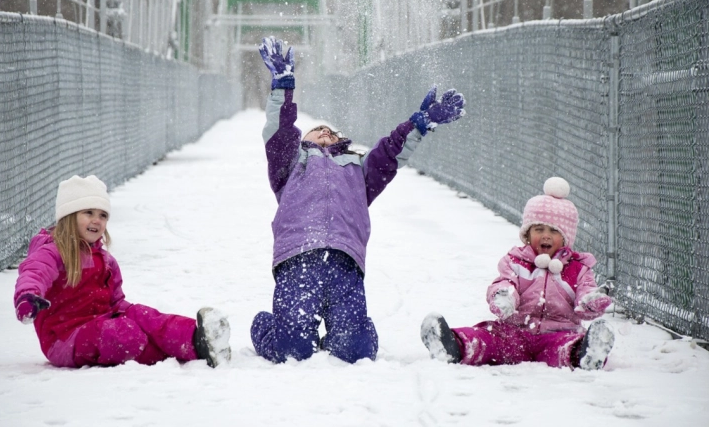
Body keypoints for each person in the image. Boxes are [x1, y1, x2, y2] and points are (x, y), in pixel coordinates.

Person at [250, 36, 466, 364]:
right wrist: (283, 84)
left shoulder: (358, 171)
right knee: (291, 349)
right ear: (302, 141)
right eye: (318, 131)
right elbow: (280, 130)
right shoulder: (289, 166)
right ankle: (267, 326)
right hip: (298, 260)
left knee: (356, 351)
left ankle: (349, 333)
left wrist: (419, 125)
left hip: (345, 262)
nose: (326, 134)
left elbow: (391, 153)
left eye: (333, 133)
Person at [13, 174, 231, 368]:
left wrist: (138, 316)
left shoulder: (106, 260)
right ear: (69, 216)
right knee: (123, 333)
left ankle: (197, 339)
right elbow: (34, 272)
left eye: (103, 215)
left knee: (145, 317)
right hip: (65, 338)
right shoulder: (52, 251)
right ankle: (175, 352)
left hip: (100, 322)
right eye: (88, 212)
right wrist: (27, 297)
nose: (97, 220)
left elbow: (115, 302)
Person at [420, 177, 615, 370]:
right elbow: (504, 282)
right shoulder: (516, 261)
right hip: (514, 332)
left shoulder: (578, 268)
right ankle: (453, 346)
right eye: (539, 229)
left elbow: (585, 293)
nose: (546, 235)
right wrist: (503, 296)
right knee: (488, 338)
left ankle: (586, 353)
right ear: (528, 234)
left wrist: (592, 301)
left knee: (563, 348)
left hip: (557, 333)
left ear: (565, 239)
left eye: (554, 231)